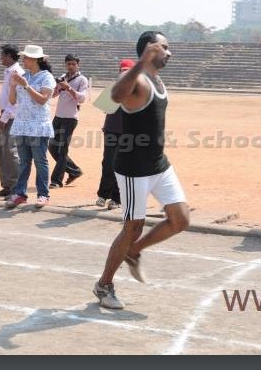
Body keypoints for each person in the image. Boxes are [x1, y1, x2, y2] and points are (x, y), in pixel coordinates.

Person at [93, 31, 189, 309]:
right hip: (134, 168)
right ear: (150, 49)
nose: (169, 52)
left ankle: (134, 251)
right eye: (164, 47)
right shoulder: (137, 80)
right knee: (132, 227)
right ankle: (104, 285)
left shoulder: (156, 80)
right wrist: (141, 61)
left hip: (158, 163)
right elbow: (112, 97)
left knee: (180, 219)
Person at [6, 45, 56, 209]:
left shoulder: (46, 77)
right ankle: (20, 194)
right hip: (22, 124)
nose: (23, 60)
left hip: (38, 126)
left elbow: (42, 100)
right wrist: (13, 85)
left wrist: (26, 86)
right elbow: (12, 101)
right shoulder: (23, 76)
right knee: (24, 162)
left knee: (40, 161)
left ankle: (43, 194)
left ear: (36, 60)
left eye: (26, 57)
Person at [95, 59, 136, 210]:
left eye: (127, 71)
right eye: (122, 71)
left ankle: (117, 198)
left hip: (128, 132)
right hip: (111, 129)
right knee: (108, 163)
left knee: (123, 165)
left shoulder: (138, 91)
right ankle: (103, 194)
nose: (124, 74)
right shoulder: (113, 87)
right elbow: (106, 108)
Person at [48, 54, 89, 188]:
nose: (71, 66)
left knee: (62, 149)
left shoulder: (82, 80)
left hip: (70, 118)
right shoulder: (63, 77)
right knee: (52, 147)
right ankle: (74, 171)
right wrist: (57, 87)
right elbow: (53, 95)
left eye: (73, 64)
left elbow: (82, 99)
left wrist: (68, 88)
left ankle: (56, 180)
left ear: (78, 65)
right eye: (68, 64)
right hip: (58, 116)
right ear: (65, 65)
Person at [0, 44, 25, 198]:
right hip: (4, 115)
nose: (0, 58)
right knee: (2, 150)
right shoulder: (8, 71)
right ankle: (7, 184)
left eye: (3, 55)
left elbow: (16, 101)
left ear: (10, 56)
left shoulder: (17, 73)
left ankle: (16, 187)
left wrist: (4, 118)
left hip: (11, 117)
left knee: (11, 152)